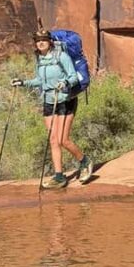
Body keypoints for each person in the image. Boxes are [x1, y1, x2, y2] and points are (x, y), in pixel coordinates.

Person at [12, 26, 93, 189]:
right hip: (49, 101)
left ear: (50, 42)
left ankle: (85, 161)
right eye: (38, 41)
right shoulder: (39, 59)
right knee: (53, 140)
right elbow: (39, 81)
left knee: (63, 139)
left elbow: (73, 78)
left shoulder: (61, 56)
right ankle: (59, 177)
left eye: (43, 40)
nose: (41, 43)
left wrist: (65, 83)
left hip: (64, 100)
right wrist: (23, 83)